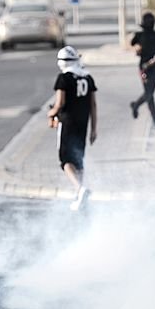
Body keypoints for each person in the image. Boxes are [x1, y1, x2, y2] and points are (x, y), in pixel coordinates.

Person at [47, 46, 98, 211]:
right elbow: (93, 105)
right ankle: (80, 194)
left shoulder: (64, 78)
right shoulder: (87, 77)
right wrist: (94, 128)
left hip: (67, 122)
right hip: (83, 124)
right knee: (78, 159)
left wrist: (50, 113)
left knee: (66, 160)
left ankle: (79, 189)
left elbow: (59, 103)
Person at [129, 12, 155, 130]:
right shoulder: (139, 35)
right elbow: (133, 44)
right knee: (149, 94)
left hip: (154, 67)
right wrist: (138, 49)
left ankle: (135, 105)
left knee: (149, 93)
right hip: (144, 67)